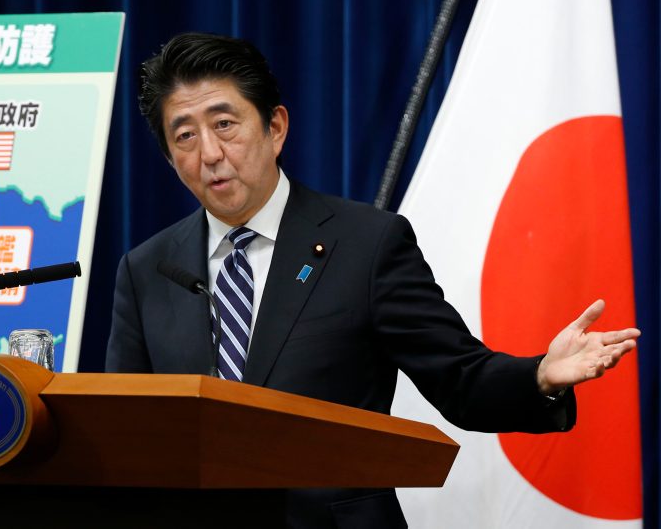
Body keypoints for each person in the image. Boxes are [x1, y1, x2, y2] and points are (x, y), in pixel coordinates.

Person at [105, 32, 639, 528]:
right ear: (171, 157)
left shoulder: (366, 243)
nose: (210, 154)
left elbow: (461, 380)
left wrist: (541, 375)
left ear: (275, 128)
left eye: (225, 124)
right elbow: (127, 432)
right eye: (185, 135)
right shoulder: (149, 269)